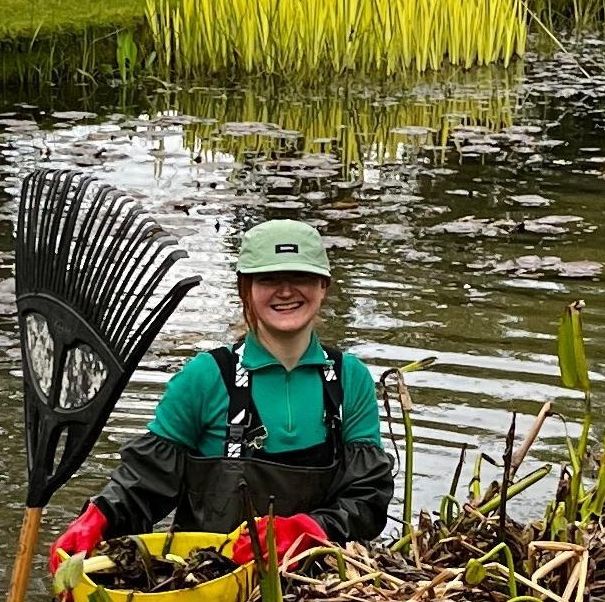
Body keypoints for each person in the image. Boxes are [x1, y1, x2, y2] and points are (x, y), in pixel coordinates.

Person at [51, 217, 393, 572]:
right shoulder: (205, 377)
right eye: (268, 279)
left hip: (319, 585)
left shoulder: (349, 378)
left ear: (323, 287)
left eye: (301, 277)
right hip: (203, 580)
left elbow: (368, 501)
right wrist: (99, 517)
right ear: (245, 288)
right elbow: (145, 483)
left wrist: (309, 529)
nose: (286, 291)